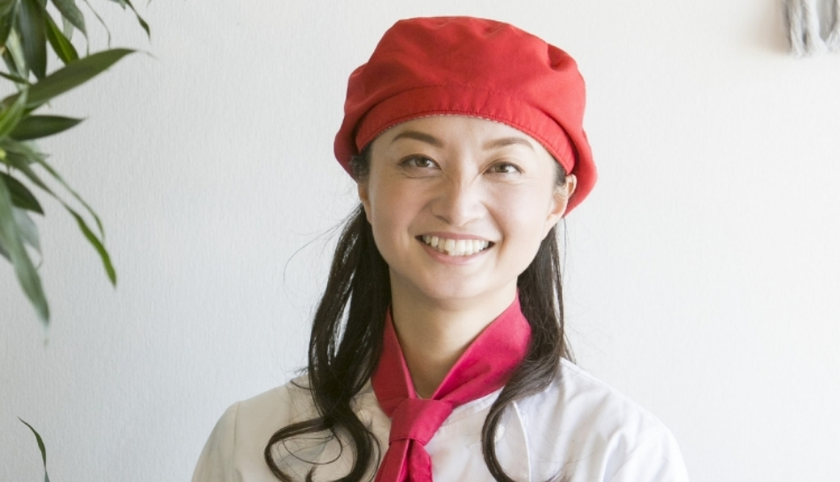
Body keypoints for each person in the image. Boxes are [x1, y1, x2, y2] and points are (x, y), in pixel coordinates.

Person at [192, 16, 690, 482]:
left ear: (556, 202)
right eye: (420, 161)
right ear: (365, 188)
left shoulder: (619, 455)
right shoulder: (250, 441)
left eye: (504, 167)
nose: (458, 207)